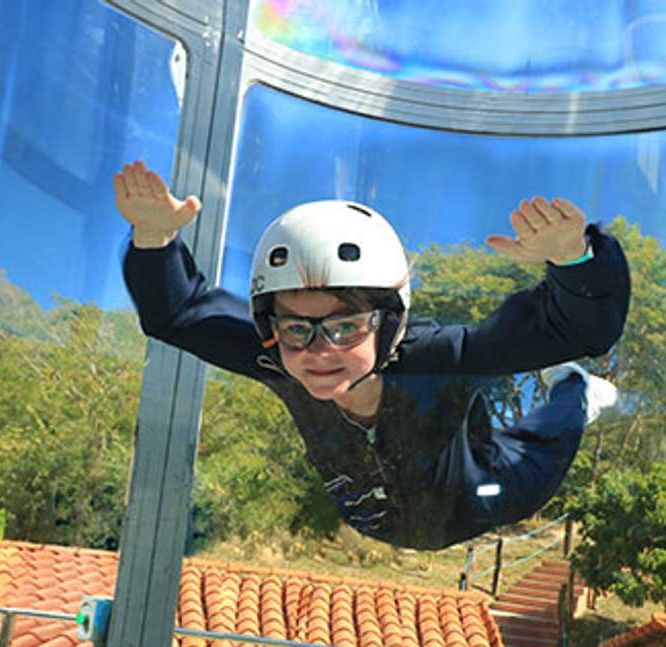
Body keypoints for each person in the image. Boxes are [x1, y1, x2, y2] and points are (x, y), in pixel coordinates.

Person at [116, 159, 630, 550]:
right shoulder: (278, 357)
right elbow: (179, 313)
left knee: (545, 442)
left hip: (481, 496)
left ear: (391, 324)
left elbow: (575, 330)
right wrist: (155, 238)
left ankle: (576, 390)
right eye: (297, 327)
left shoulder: (442, 358)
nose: (319, 351)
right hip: (376, 518)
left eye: (346, 326)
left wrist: (574, 258)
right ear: (270, 328)